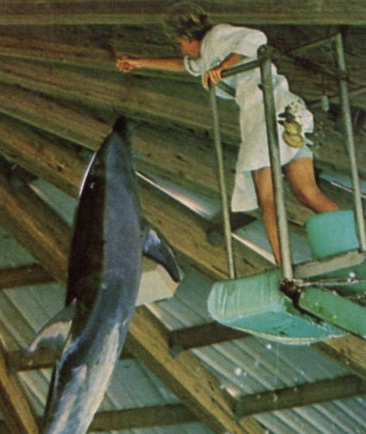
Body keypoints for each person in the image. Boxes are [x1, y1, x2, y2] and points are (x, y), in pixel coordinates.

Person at [116, 4, 338, 264]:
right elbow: (184, 65)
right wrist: (138, 62)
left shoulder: (218, 36)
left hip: (267, 111)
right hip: (288, 110)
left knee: (266, 198)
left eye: (181, 44)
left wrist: (223, 67)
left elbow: (256, 39)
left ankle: (283, 264)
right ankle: (352, 245)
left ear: (188, 37)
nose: (183, 51)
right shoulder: (210, 52)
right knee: (306, 192)